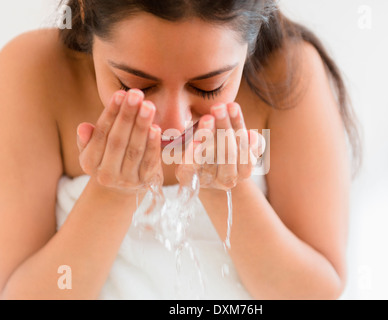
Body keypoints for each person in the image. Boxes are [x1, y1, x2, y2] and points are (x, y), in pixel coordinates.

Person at [0, 0, 361, 300]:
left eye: (209, 87)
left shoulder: (288, 73)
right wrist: (111, 192)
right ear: (83, 12)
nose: (173, 125)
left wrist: (226, 191)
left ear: (251, 39)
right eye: (135, 84)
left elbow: (313, 293)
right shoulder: (33, 70)